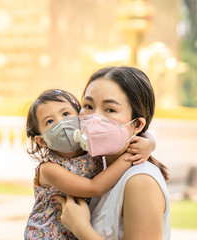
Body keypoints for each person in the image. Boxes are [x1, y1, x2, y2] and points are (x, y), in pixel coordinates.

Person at [24, 88, 156, 239]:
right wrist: (130, 155)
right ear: (42, 140)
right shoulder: (49, 168)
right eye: (50, 121)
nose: (62, 123)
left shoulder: (92, 148)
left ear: (81, 117)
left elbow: (132, 129)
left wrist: (150, 143)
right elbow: (93, 188)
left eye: (66, 114)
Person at [56, 66, 170, 240]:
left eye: (110, 109)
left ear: (138, 125)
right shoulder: (97, 169)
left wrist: (80, 228)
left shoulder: (141, 182)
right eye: (88, 106)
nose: (94, 119)